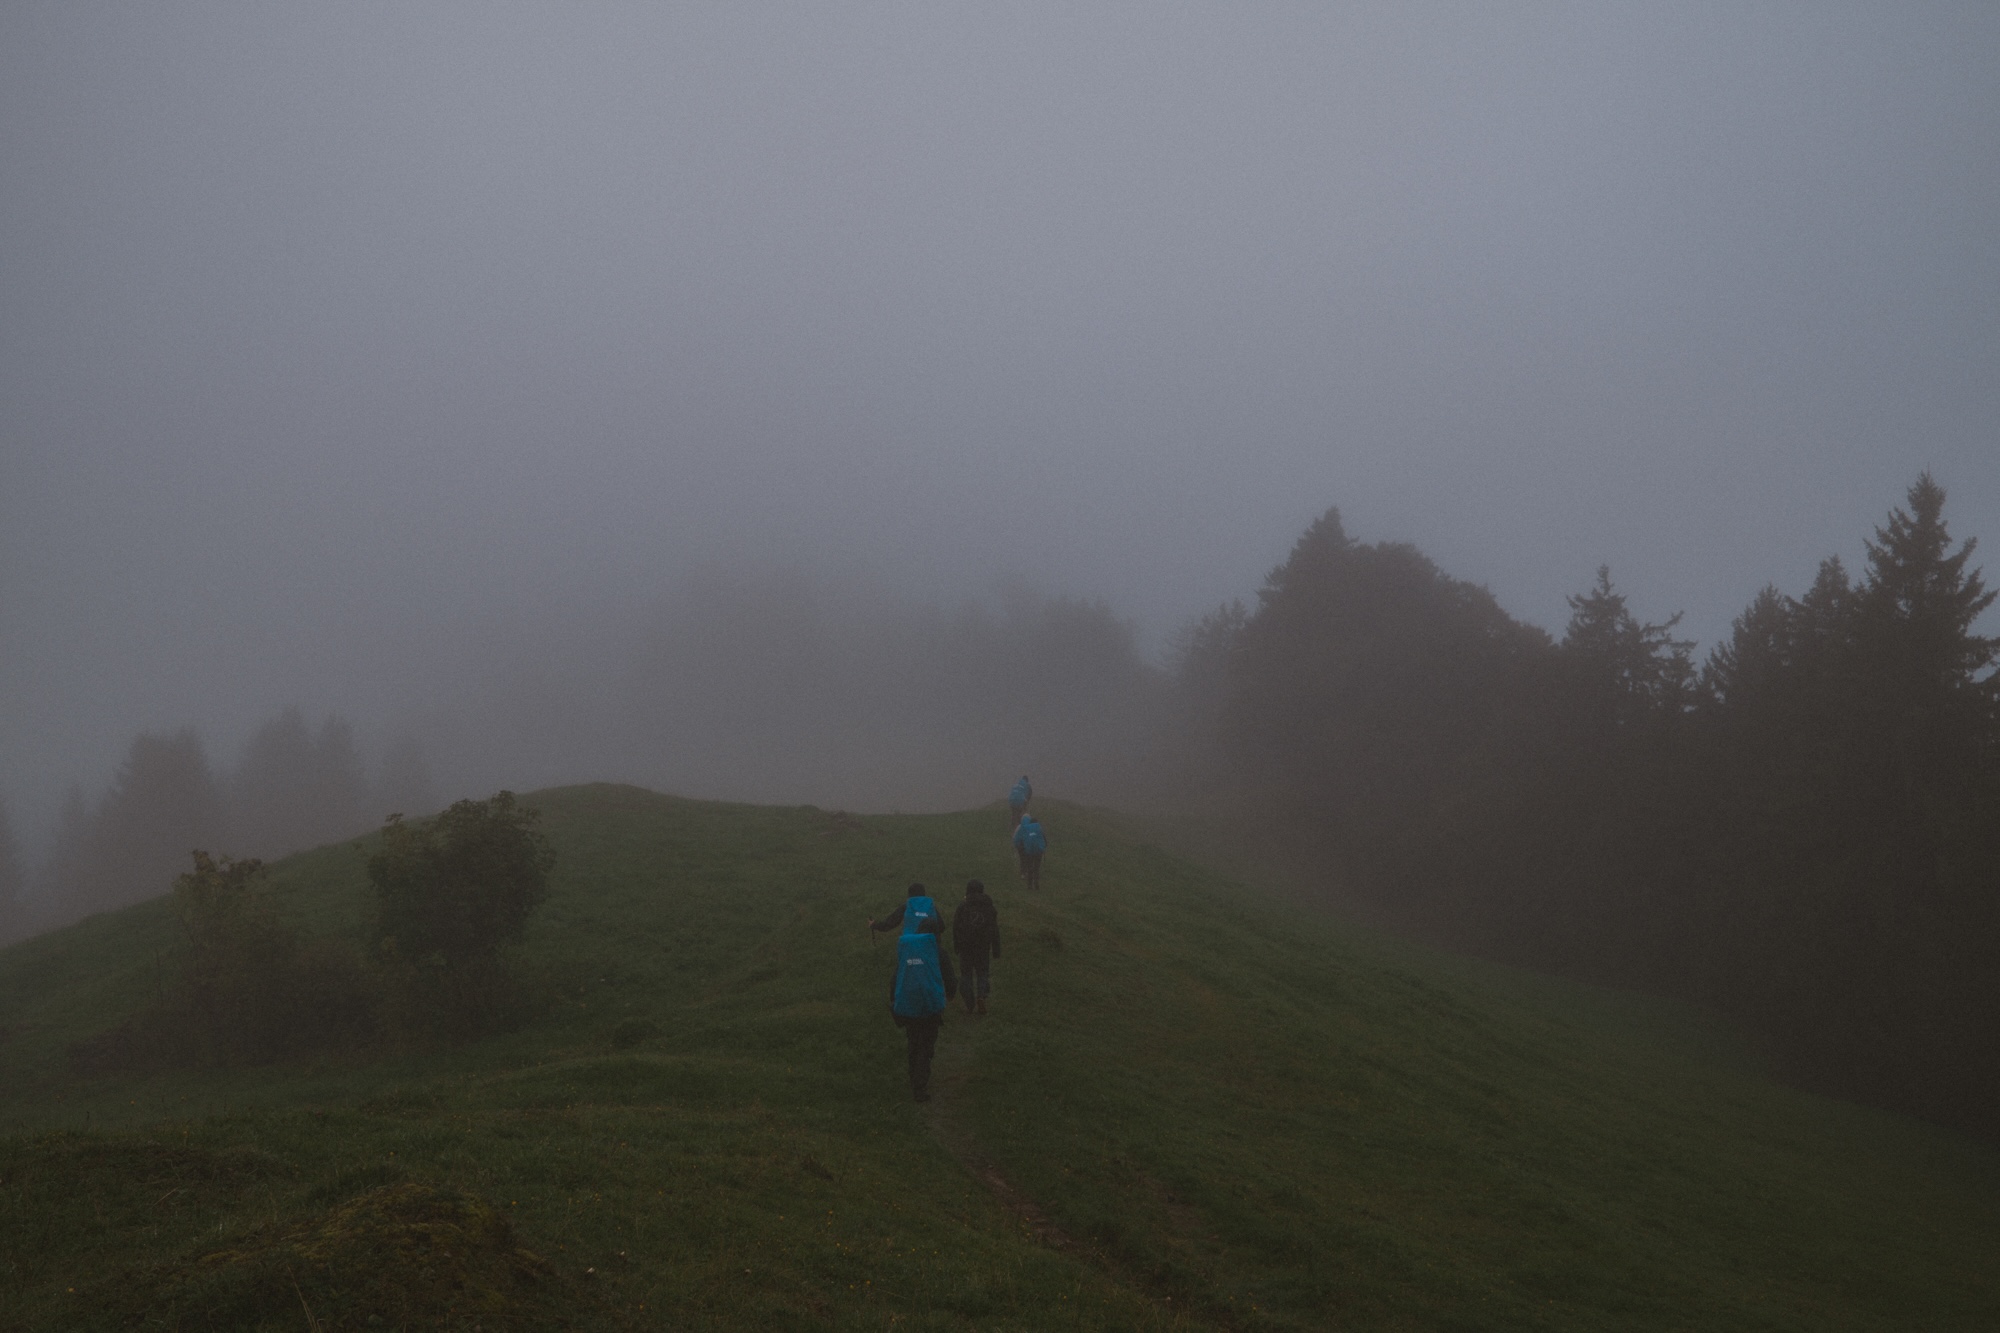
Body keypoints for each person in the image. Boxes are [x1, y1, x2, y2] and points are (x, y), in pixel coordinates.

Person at [868, 884, 957, 1102]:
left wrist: (894, 1001)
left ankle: (913, 1076)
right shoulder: (939, 951)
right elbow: (950, 979)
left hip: (908, 1004)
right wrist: (951, 995)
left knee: (913, 1042)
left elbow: (894, 979)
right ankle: (920, 1087)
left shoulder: (907, 948)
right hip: (930, 1006)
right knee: (926, 1046)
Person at [951, 879, 1001, 1015]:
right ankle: (981, 996)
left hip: (965, 946)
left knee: (966, 974)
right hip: (983, 947)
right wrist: (996, 949)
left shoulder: (963, 906)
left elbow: (956, 927)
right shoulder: (989, 907)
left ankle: (969, 1002)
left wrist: (956, 945)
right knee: (982, 972)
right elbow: (994, 929)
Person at [1012, 814, 1047, 891]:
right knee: (1036, 868)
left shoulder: (1026, 829)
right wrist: (1044, 847)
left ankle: (1029, 885)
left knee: (1030, 867)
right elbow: (1044, 839)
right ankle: (1036, 884)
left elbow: (1022, 839)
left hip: (1029, 851)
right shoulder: (1039, 828)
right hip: (1038, 851)